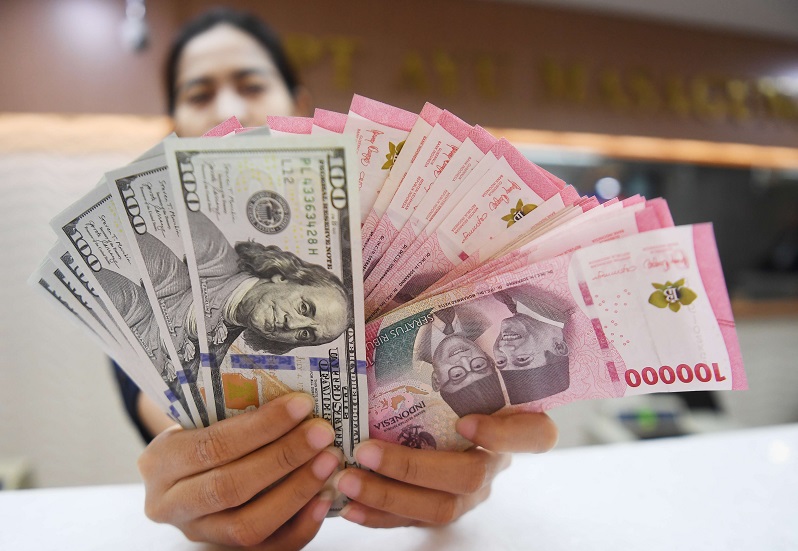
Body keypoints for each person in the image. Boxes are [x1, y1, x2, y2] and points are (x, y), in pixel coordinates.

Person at [116, 8, 558, 549]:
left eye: (251, 85)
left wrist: (469, 445)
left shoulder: (380, 233)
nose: (229, 107)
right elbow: (156, 400)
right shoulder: (158, 271)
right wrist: (190, 461)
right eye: (199, 93)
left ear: (300, 106)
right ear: (173, 127)